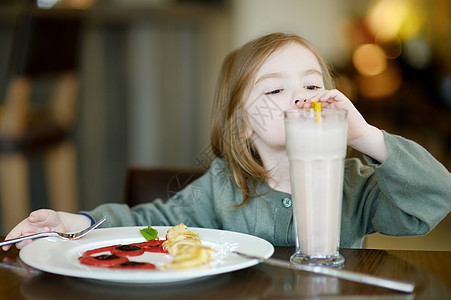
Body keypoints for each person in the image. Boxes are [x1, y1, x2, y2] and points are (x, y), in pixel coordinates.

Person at [3, 32, 451, 251]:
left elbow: (435, 198)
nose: (300, 96)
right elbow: (148, 221)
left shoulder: (355, 184)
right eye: (273, 90)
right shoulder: (222, 188)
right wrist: (73, 221)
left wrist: (366, 136)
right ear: (243, 126)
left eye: (313, 86)